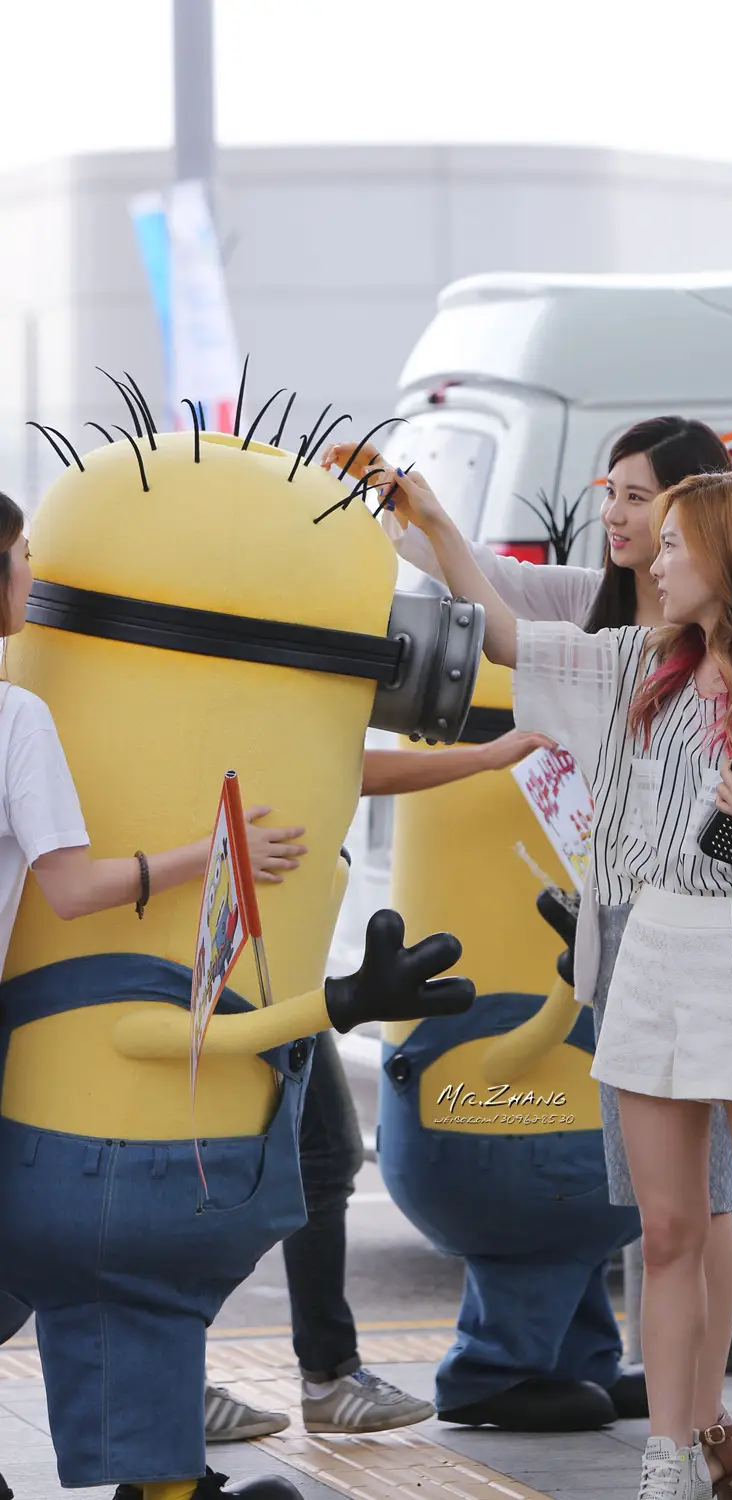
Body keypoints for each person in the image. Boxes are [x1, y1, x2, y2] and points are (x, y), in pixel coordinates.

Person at [362, 461, 732, 1500]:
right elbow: (499, 633)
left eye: (672, 543)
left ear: (728, 554)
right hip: (652, 949)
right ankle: (665, 1461)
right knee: (666, 1231)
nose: (652, 560)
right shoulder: (636, 663)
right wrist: (433, 517)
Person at [326, 419, 732, 1467]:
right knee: (659, 1212)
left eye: (635, 496)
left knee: (726, 1201)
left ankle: (710, 1413)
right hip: (609, 936)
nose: (612, 513)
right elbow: (484, 603)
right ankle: (671, 1438)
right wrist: (413, 513)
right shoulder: (587, 612)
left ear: (697, 508)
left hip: (716, 941)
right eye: (609, 491)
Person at [0, 491, 307, 1499]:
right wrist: (215, 854)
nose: (33, 577)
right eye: (22, 559)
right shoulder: (15, 713)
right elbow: (74, 887)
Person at [198, 728, 553, 1444]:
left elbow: (346, 767)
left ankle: (303, 1373)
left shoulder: (288, 710)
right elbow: (341, 768)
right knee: (244, 1168)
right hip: (240, 973)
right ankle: (215, 1371)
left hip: (280, 976)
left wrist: (485, 756)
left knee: (309, 1162)